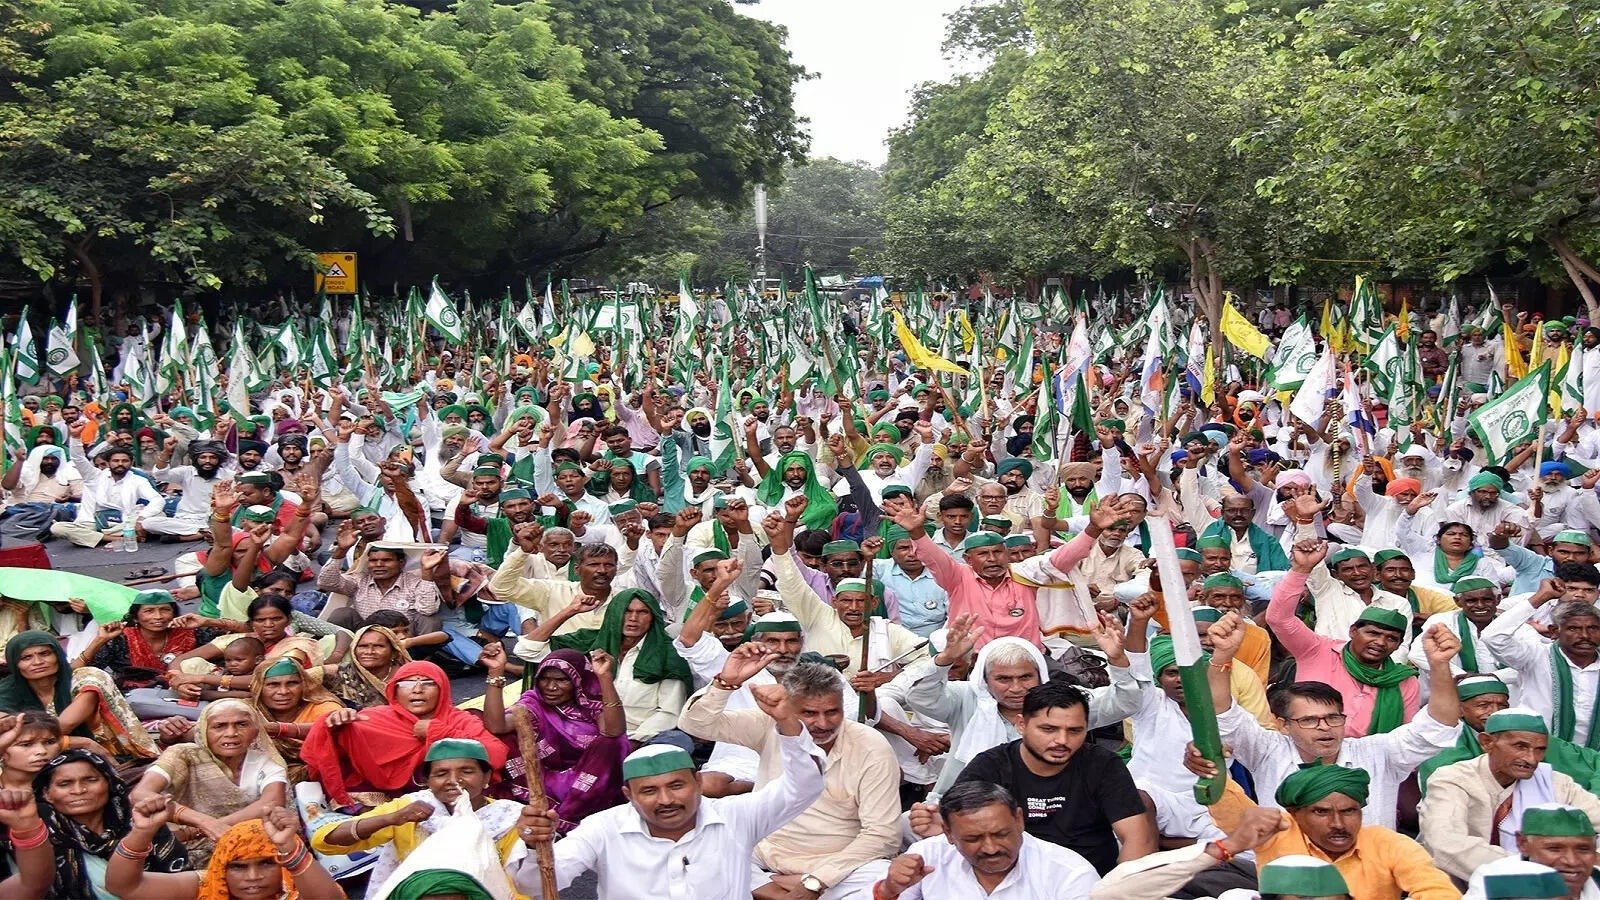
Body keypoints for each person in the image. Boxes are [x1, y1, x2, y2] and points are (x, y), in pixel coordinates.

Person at [510, 678, 827, 900]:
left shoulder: (736, 816)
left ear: (699, 783)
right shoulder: (603, 829)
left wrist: (787, 722)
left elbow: (805, 785)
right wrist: (535, 845)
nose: (666, 800)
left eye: (676, 785)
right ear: (629, 796)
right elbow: (533, 884)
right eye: (649, 791)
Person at [1202, 609, 1464, 829]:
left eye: (1332, 718)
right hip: (1290, 869)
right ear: (1283, 724)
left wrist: (1440, 665)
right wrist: (1223, 656)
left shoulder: (1377, 752)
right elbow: (1222, 713)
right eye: (1309, 720)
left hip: (1368, 870)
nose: (1324, 728)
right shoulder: (1267, 750)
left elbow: (1437, 726)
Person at [678, 646, 901, 899]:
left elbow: (883, 834)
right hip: (764, 853)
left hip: (836, 864)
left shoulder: (871, 746)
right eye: (809, 713)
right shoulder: (769, 723)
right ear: (788, 709)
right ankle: (773, 888)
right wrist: (725, 684)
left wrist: (817, 881)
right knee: (697, 850)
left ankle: (768, 888)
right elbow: (695, 724)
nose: (823, 723)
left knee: (885, 878)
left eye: (832, 712)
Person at [925, 679, 1154, 876]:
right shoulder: (990, 766)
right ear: (1021, 725)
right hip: (1010, 878)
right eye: (1048, 729)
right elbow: (960, 827)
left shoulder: (1103, 764)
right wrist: (941, 824)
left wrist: (1115, 890)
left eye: (1075, 731)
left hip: (1092, 881)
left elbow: (1137, 839)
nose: (1062, 740)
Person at [1200, 762, 1460, 899]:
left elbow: (1438, 891)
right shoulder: (1276, 832)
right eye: (1321, 812)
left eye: (1349, 811)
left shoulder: (1389, 843)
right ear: (1295, 813)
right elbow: (1230, 807)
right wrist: (1211, 769)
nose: (1338, 823)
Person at [311, 737, 526, 889]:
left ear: (486, 777)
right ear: (427, 781)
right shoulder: (410, 807)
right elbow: (325, 841)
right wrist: (391, 819)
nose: (453, 781)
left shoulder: (508, 817)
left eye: (467, 771)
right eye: (441, 773)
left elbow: (524, 881)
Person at [1419, 707, 1600, 881]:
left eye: (1540, 750)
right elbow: (1445, 844)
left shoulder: (1555, 782)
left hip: (1553, 883)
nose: (1531, 759)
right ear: (1487, 742)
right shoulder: (1453, 780)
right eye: (1520, 747)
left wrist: (1586, 859)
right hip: (1461, 882)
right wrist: (1536, 868)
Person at [1265, 540, 1420, 737]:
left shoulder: (1403, 681)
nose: (1380, 642)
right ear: (1353, 631)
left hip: (1372, 754)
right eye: (1372, 633)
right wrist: (1300, 570)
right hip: (1306, 750)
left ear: (1398, 644)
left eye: (1391, 638)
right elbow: (1278, 618)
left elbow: (1405, 737)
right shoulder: (1317, 651)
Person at [299, 660, 507, 807]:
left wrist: (439, 732)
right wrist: (333, 727)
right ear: (394, 691)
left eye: (428, 683)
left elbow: (496, 753)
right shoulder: (373, 718)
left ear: (443, 689)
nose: (417, 689)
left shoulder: (458, 719)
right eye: (407, 684)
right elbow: (323, 750)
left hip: (450, 795)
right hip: (384, 801)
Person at [513, 587, 693, 749]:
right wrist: (570, 610)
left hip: (640, 737)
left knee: (677, 741)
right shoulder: (589, 641)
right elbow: (526, 650)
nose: (633, 619)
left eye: (642, 612)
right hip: (582, 730)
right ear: (614, 613)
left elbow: (669, 713)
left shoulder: (667, 655)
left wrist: (631, 741)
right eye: (626, 611)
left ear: (653, 617)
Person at [480, 646, 629, 828]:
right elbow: (497, 726)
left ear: (578, 680)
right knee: (490, 727)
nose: (551, 687)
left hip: (592, 783)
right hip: (546, 781)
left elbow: (613, 731)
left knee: (613, 744)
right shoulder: (534, 703)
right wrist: (496, 672)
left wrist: (604, 677)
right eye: (544, 679)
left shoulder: (591, 702)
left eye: (561, 680)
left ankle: (567, 817)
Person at [130, 700, 290, 867]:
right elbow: (140, 795)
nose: (231, 733)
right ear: (203, 730)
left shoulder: (267, 763)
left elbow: (272, 803)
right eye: (219, 726)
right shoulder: (183, 754)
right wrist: (205, 823)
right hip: (179, 843)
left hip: (241, 844)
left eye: (241, 724)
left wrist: (195, 832)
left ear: (255, 731)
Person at [877, 780, 1100, 899]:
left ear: (1019, 820)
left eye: (1001, 834)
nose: (991, 848)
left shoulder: (1069, 873)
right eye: (973, 838)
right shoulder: (926, 856)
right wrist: (889, 890)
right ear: (948, 834)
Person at [104, 798, 344, 900]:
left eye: (266, 863)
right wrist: (142, 832)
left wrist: (289, 847)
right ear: (221, 867)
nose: (253, 877)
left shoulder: (299, 888)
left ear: (284, 864)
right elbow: (124, 887)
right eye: (238, 867)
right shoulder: (207, 884)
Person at [33, 748, 191, 897]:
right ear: (46, 793)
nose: (79, 790)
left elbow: (181, 879)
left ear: (110, 783)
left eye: (90, 780)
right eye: (64, 784)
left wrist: (142, 833)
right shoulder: (41, 834)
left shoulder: (142, 822)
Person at [0, 630, 159, 766]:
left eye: (45, 654)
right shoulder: (9, 687)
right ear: (15, 664)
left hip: (110, 754)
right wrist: (77, 742)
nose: (38, 662)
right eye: (26, 658)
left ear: (58, 655)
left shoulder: (87, 678)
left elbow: (63, 726)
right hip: (41, 756)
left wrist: (19, 734)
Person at [79, 590, 226, 717]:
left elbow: (234, 642)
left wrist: (208, 622)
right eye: (149, 611)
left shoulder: (191, 632)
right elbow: (80, 672)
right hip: (137, 699)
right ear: (135, 617)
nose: (158, 616)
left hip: (189, 693)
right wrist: (100, 640)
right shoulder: (120, 639)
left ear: (174, 614)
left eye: (165, 610)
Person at [1482, 591, 1600, 749]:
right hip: (1537, 753)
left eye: (1593, 628)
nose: (1585, 635)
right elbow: (1492, 637)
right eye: (1573, 629)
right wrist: (1541, 597)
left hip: (1594, 757)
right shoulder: (1536, 656)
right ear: (1554, 631)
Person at [1462, 804, 1600, 900]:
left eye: (1583, 849)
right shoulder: (1498, 877)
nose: (1572, 861)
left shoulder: (1597, 877)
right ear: (1523, 843)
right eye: (1554, 849)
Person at [248, 657, 343, 783]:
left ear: (304, 684)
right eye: (273, 685)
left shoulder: (324, 707)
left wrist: (281, 729)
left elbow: (338, 729)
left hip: (323, 780)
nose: (283, 691)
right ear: (258, 687)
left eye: (292, 683)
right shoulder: (247, 712)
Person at [321, 624, 411, 709]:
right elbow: (312, 678)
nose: (369, 652)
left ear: (393, 651)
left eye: (379, 646)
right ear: (353, 649)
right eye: (363, 646)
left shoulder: (408, 676)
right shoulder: (341, 672)